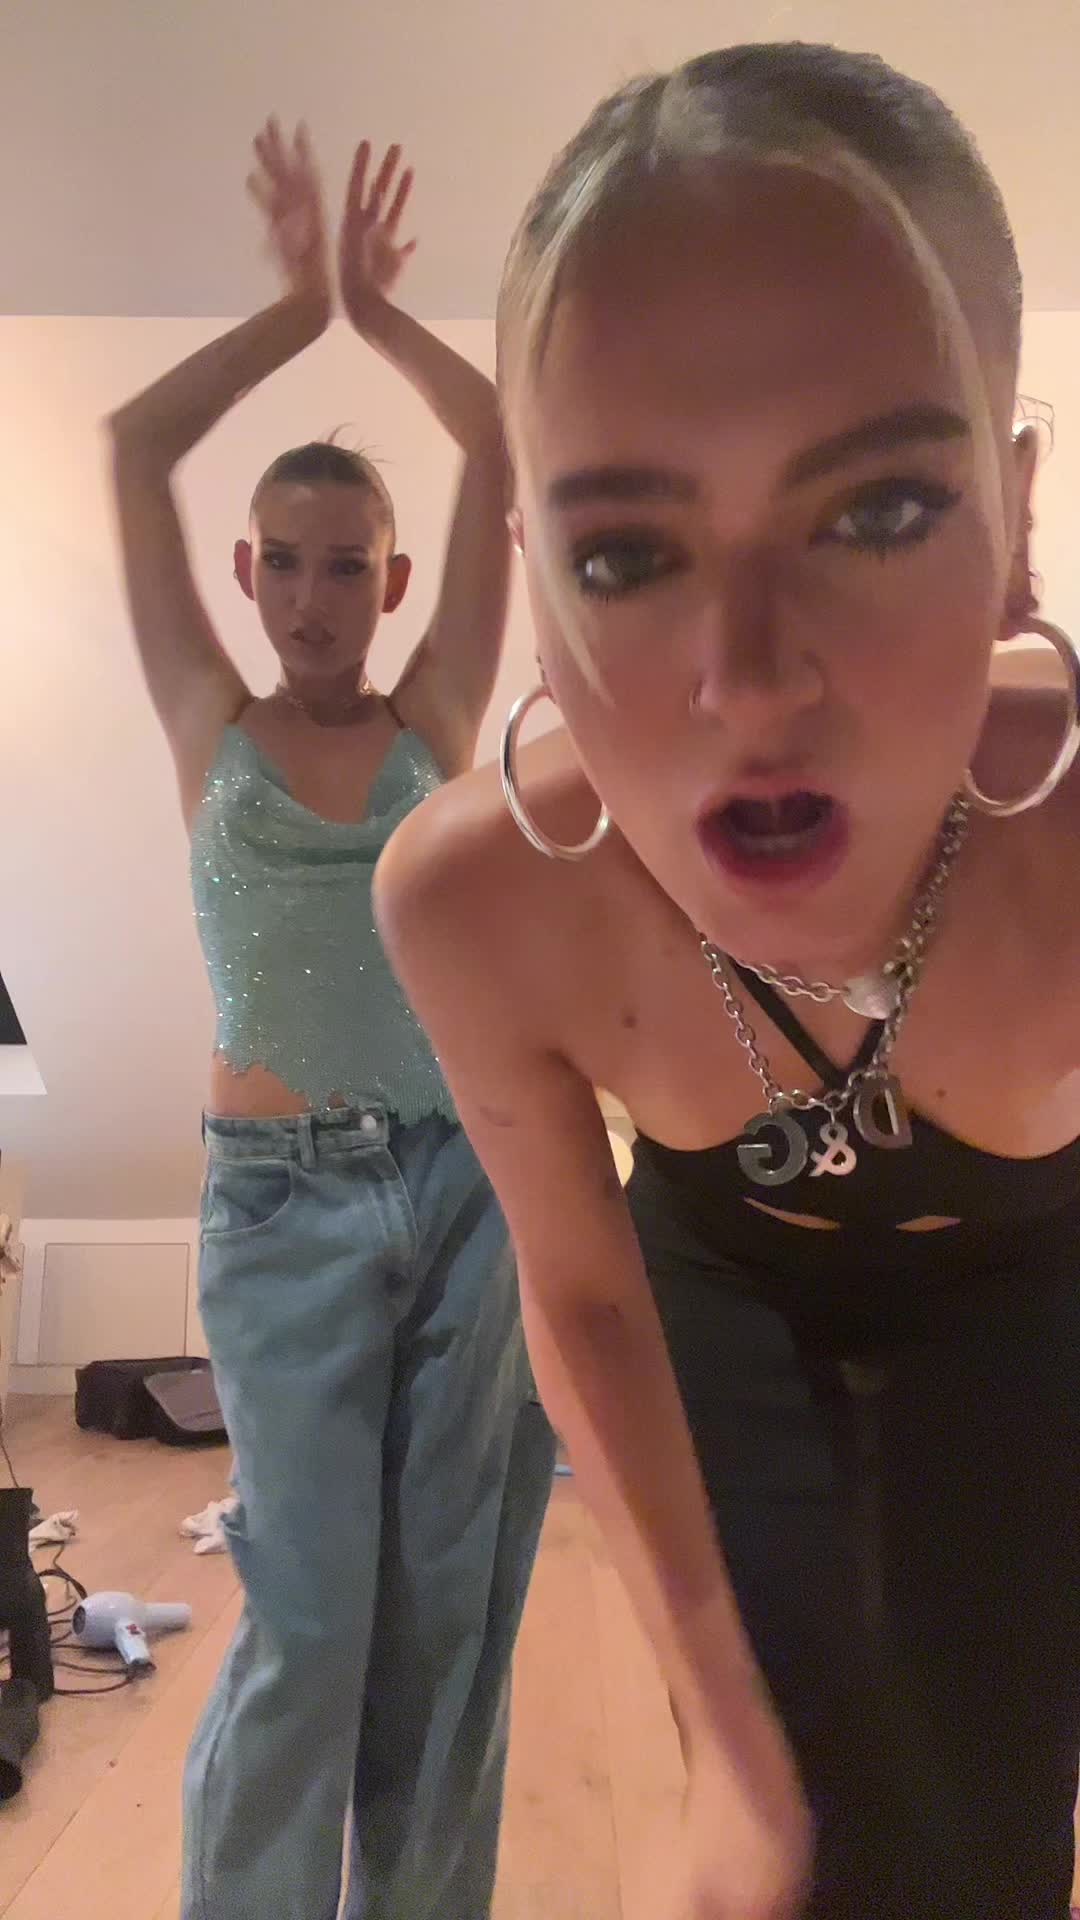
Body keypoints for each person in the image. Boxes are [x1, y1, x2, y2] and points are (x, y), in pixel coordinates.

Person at [375, 44, 1080, 1920]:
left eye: (879, 512)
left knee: (1002, 1801)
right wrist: (734, 1760)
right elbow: (580, 1294)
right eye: (626, 551)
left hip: (1034, 1275)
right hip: (714, 1287)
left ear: (1014, 520)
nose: (751, 680)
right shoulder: (477, 902)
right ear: (533, 585)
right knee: (794, 1814)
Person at [107, 121, 553, 1920]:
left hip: (462, 1193)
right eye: (284, 561)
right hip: (280, 1211)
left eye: (346, 563)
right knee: (308, 1620)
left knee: (448, 1621)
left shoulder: (438, 715)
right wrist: (300, 311)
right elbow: (134, 444)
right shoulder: (205, 723)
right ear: (243, 572)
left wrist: (379, 308)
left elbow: (500, 434)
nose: (313, 598)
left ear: (393, 579)